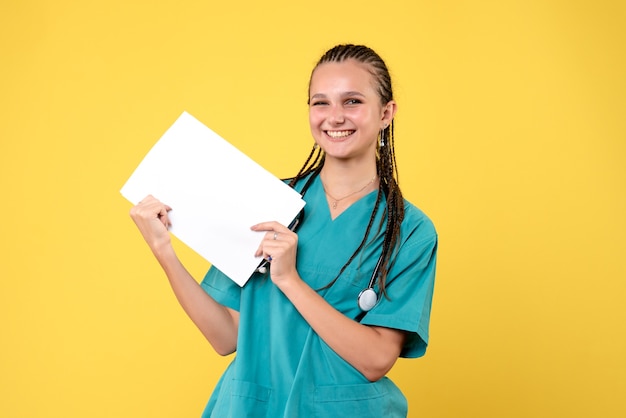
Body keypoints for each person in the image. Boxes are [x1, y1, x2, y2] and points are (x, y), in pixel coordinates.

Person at [130, 44, 438, 417]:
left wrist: (290, 279)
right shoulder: (266, 201)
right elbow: (226, 336)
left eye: (352, 101)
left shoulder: (408, 230)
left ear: (386, 113)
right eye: (320, 103)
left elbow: (375, 359)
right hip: (250, 407)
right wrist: (165, 252)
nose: (334, 117)